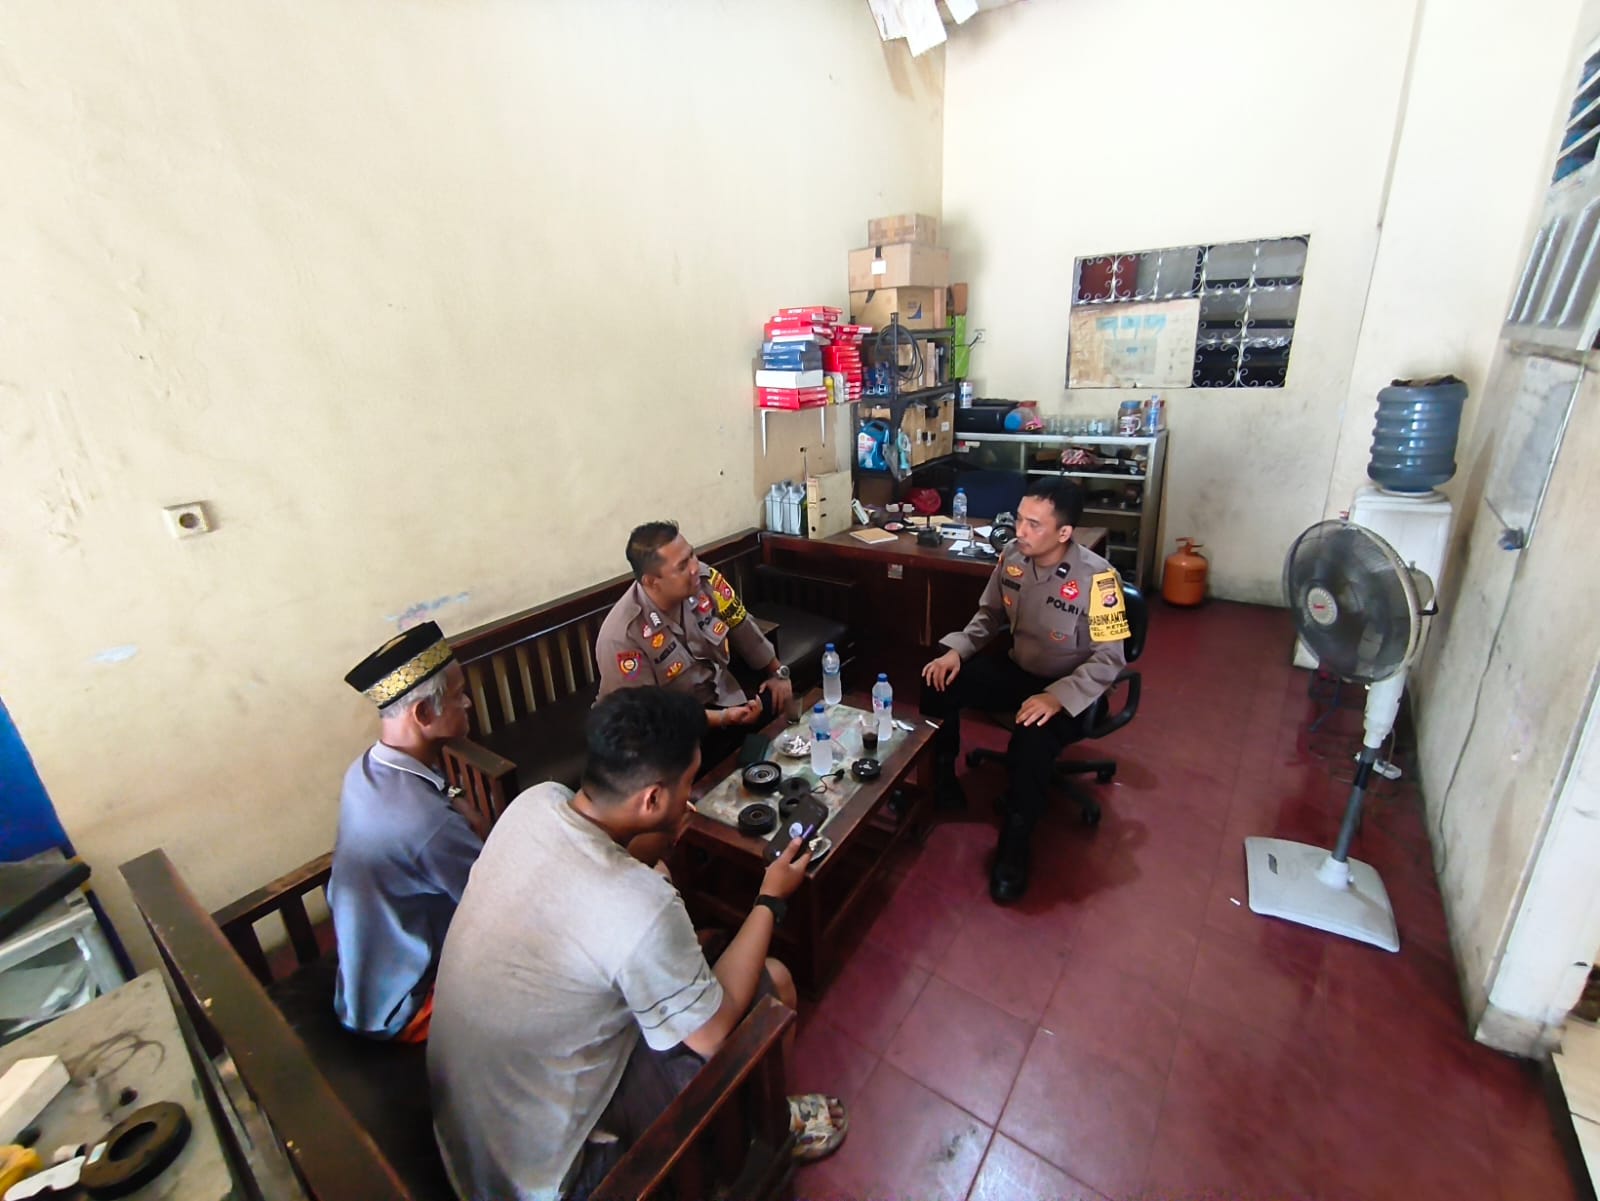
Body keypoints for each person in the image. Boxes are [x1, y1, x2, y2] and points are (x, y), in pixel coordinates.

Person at [428, 687, 847, 1201]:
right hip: (557, 1177)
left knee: (691, 952)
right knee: (774, 983)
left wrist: (659, 841)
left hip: (473, 1143)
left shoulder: (534, 803)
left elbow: (595, 872)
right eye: (688, 782)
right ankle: (766, 1133)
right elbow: (713, 1033)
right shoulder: (639, 907)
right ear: (651, 799)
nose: (691, 797)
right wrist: (770, 898)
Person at [922, 478, 1127, 903]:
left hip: (1072, 691)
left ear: (1064, 532)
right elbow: (988, 615)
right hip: (1021, 672)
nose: (1020, 531)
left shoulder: (1100, 579)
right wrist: (956, 651)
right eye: (1019, 519)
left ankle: (1015, 846)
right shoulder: (1012, 557)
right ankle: (941, 779)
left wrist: (1057, 697)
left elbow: (1110, 659)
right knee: (938, 678)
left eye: (1034, 524)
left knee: (1033, 739)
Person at [328, 621, 482, 1041]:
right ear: (423, 714)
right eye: (458, 695)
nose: (467, 703)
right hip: (405, 1005)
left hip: (362, 988)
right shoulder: (426, 824)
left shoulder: (364, 770)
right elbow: (494, 900)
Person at [595, 521, 793, 750]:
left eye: (692, 555)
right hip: (670, 729)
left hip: (721, 696)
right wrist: (723, 718)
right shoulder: (623, 636)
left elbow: (741, 624)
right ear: (651, 581)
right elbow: (646, 715)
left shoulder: (704, 581)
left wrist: (778, 672)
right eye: (681, 566)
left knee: (780, 709)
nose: (694, 567)